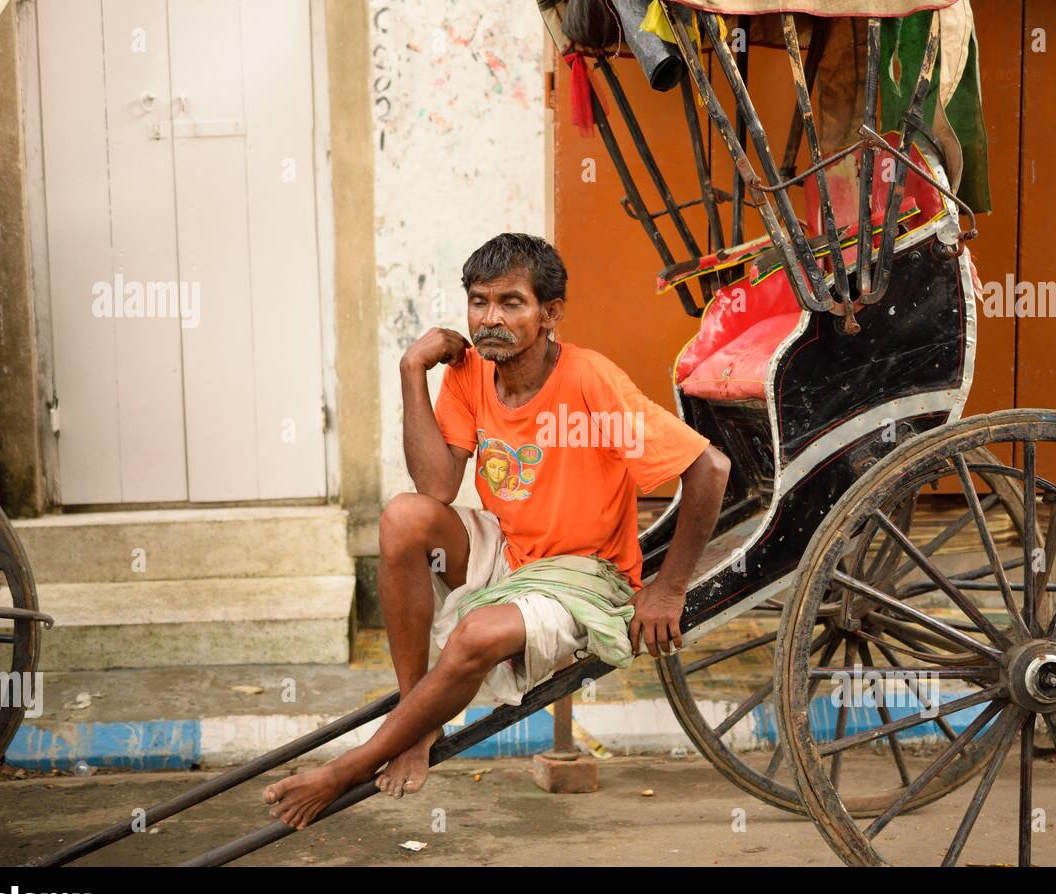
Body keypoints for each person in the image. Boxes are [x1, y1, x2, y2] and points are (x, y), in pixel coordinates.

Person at [264, 233, 729, 829]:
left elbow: (709, 469)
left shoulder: (590, 379)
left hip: (584, 574)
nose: (491, 319)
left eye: (511, 303)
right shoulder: (470, 374)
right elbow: (434, 489)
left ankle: (349, 767)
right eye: (479, 302)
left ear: (550, 313)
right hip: (510, 550)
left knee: (477, 634)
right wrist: (412, 371)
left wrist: (667, 590)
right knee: (403, 517)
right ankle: (417, 716)